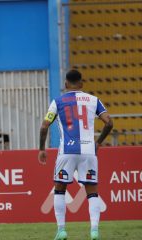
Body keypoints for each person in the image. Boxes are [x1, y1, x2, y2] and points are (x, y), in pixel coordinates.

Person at [38, 70, 113, 240]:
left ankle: (61, 230)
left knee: (59, 189)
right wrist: (98, 142)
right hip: (88, 152)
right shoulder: (94, 100)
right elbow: (109, 122)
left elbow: (44, 127)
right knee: (92, 191)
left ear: (65, 84)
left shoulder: (58, 102)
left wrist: (42, 149)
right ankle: (94, 231)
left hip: (67, 151)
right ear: (81, 84)